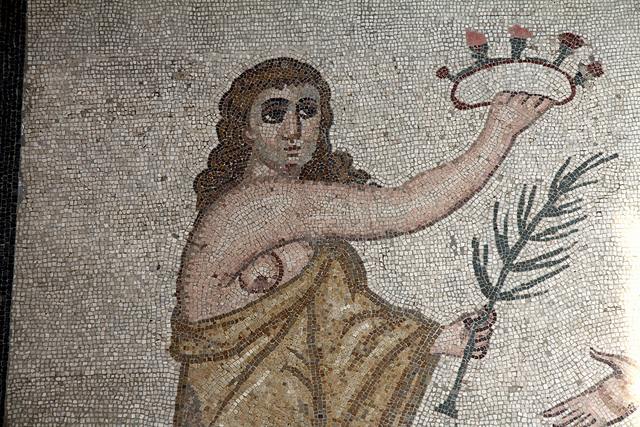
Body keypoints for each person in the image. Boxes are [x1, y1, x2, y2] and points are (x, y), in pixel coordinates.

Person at [170, 57, 552, 426]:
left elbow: (334, 332)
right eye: (274, 114)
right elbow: (406, 208)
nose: (293, 129)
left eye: (307, 112)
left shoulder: (290, 206)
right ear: (246, 130)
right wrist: (499, 131)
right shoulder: (259, 203)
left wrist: (433, 340)